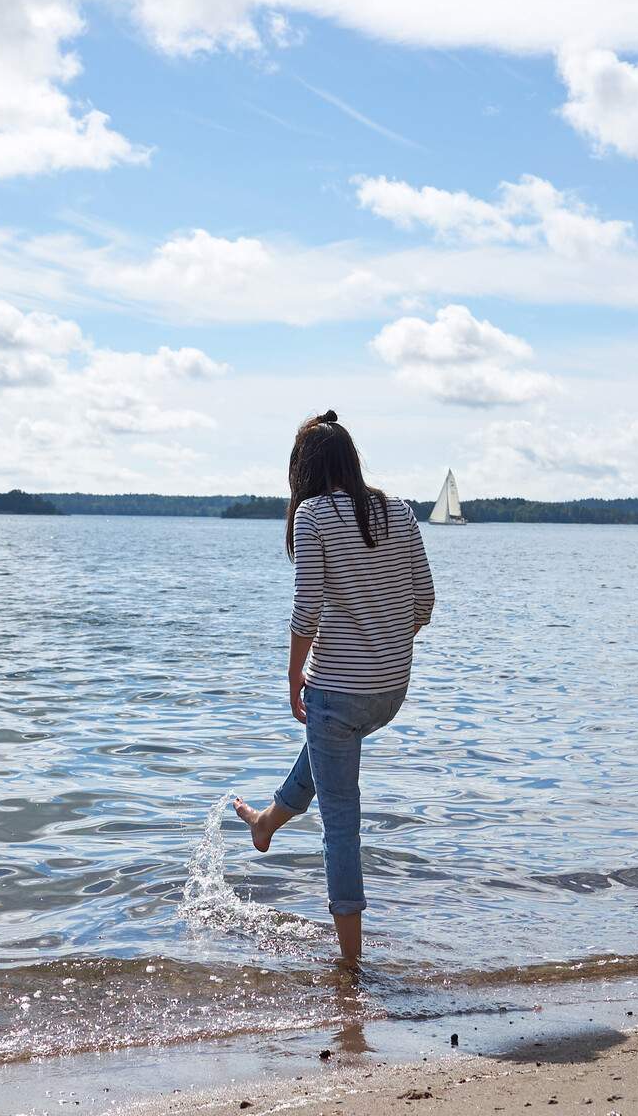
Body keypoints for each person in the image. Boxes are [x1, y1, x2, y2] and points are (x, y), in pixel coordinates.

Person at [234, 409, 435, 963]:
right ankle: (265, 823)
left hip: (338, 692)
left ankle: (351, 964)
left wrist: (294, 674)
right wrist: (384, 641)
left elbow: (306, 612)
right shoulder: (399, 511)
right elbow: (424, 602)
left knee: (341, 825)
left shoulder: (315, 516)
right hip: (390, 690)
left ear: (303, 471)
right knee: (326, 750)